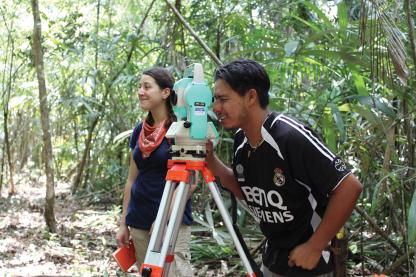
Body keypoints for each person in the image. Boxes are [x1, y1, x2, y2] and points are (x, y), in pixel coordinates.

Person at [205, 59, 363, 277]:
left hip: (311, 263)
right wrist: (210, 160)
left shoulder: (290, 136)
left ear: (251, 97)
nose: (216, 108)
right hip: (275, 258)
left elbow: (349, 187)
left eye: (223, 99)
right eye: (215, 100)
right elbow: (246, 190)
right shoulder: (242, 140)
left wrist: (315, 246)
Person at [116, 67, 194, 277]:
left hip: (172, 221)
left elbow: (190, 182)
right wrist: (124, 223)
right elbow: (132, 180)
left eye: (147, 86)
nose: (141, 91)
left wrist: (162, 220)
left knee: (176, 272)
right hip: (139, 220)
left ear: (165, 92)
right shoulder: (139, 131)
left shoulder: (181, 129)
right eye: (140, 86)